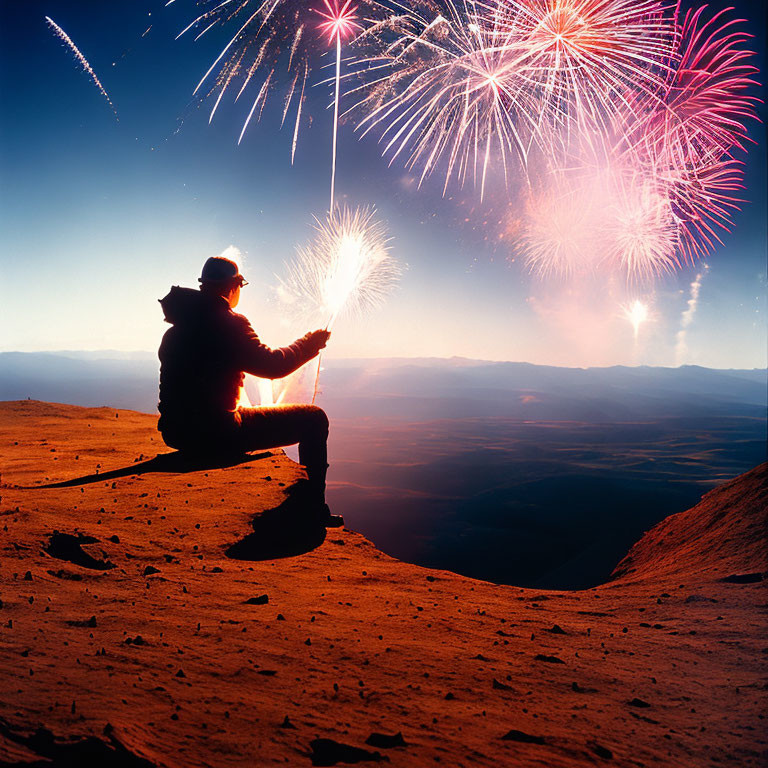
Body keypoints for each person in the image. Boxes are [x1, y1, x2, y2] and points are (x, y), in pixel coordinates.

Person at [157, 255, 341, 526]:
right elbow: (273, 365)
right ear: (234, 286)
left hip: (177, 433)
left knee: (246, 410)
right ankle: (312, 510)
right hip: (216, 433)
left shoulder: (176, 329)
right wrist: (309, 343)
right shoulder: (229, 323)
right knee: (314, 419)